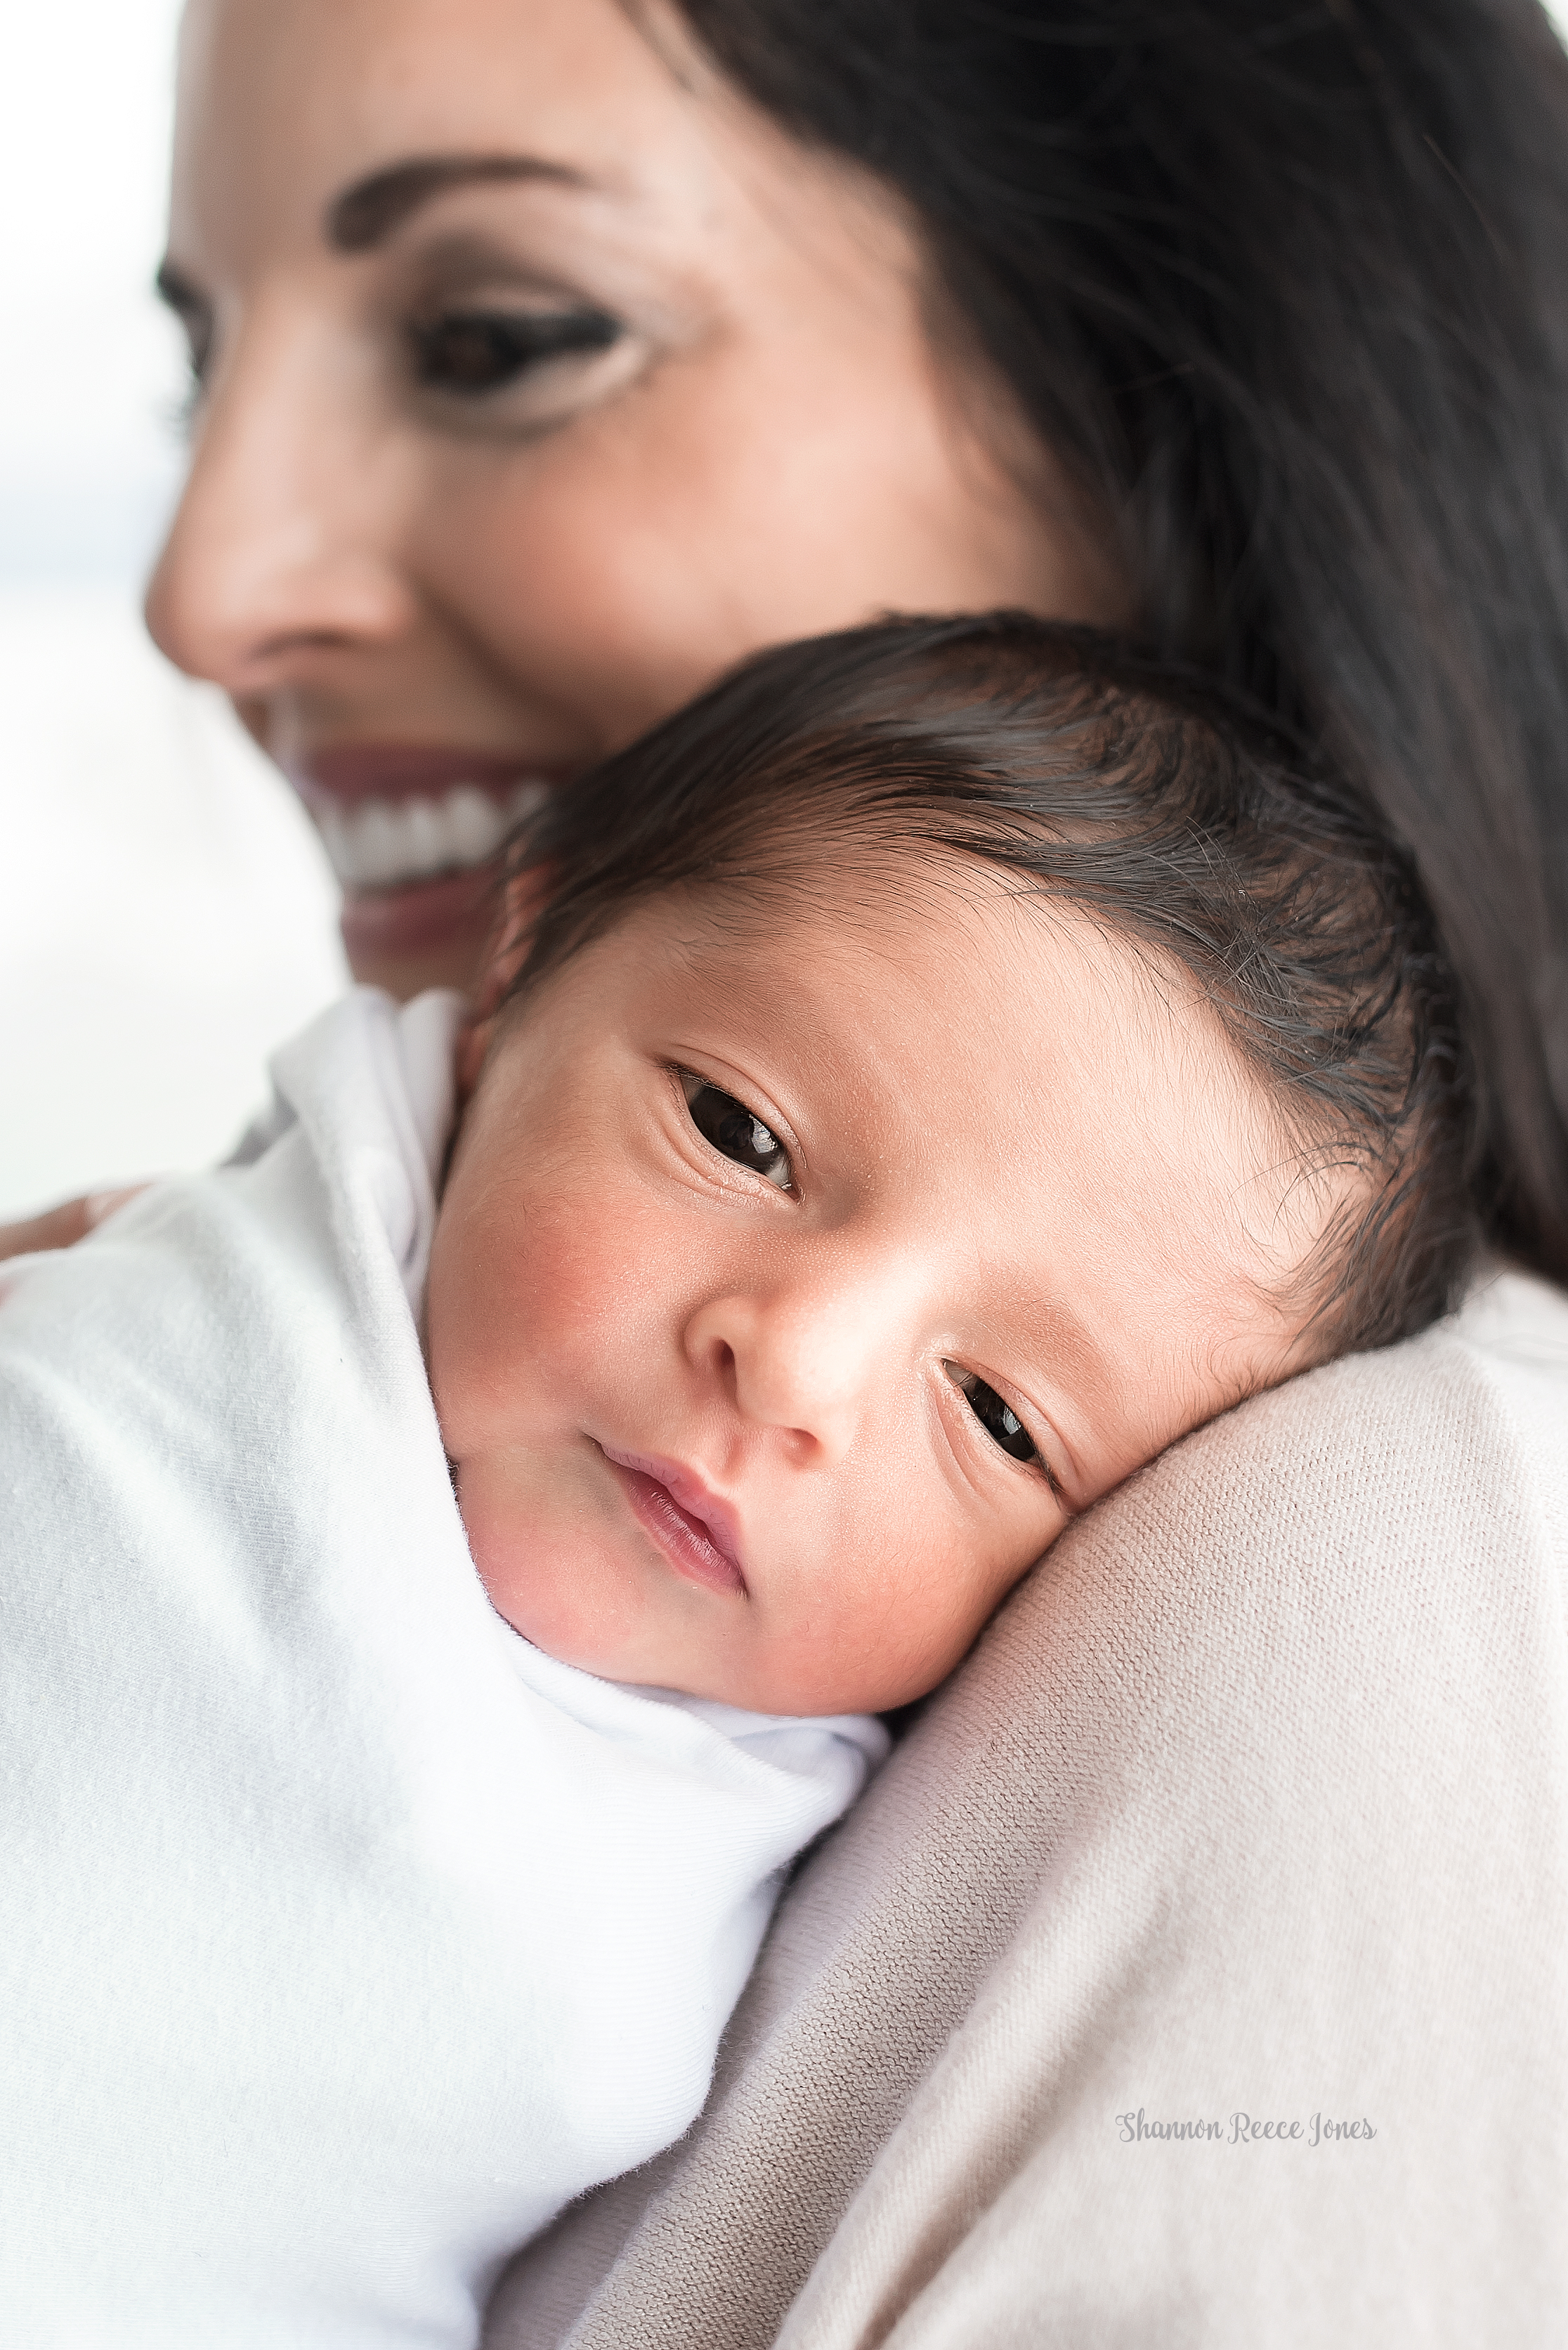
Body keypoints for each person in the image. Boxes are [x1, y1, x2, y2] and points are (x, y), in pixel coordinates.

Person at [4, 0, 1565, 2335]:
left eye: (503, 335)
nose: (206, 586)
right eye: (196, 368)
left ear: (1161, 384)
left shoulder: (1377, 1588)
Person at [0, 616, 1476, 2344]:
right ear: (522, 965)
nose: (793, 1367)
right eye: (740, 1133)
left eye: (999, 1417)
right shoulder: (193, 1303)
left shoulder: (871, 1860)